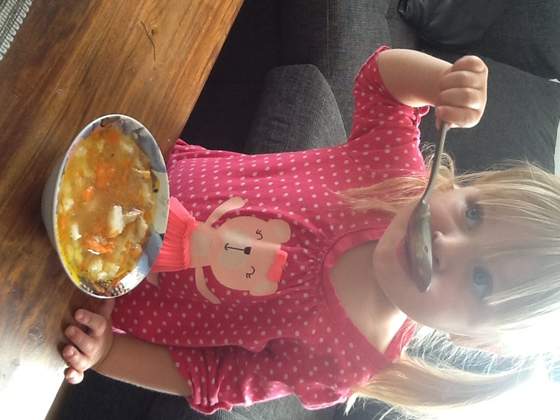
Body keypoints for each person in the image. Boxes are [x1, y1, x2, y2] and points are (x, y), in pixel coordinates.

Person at [59, 46, 560, 418]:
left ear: (474, 339)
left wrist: (107, 353)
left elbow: (213, 378)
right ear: (466, 187)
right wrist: (442, 80)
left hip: (99, 294)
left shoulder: (347, 361)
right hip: (131, 169)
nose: (448, 244)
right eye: (473, 215)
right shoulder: (390, 172)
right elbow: (380, 81)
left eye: (480, 280)